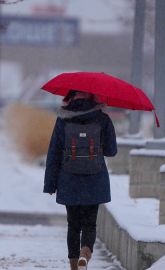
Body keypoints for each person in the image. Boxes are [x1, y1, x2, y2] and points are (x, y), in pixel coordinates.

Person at [43, 90, 117, 270]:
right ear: (94, 98)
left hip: (69, 179)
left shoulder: (63, 119)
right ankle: (85, 253)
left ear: (69, 98)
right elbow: (111, 151)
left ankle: (74, 265)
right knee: (90, 223)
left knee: (73, 225)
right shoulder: (102, 119)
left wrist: (50, 184)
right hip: (94, 178)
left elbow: (53, 153)